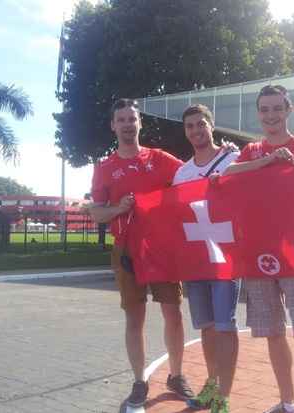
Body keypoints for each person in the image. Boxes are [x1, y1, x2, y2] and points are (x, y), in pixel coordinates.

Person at [224, 85, 294, 413]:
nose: (270, 116)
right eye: (264, 110)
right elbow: (226, 174)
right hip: (257, 255)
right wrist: (267, 160)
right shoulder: (251, 151)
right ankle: (288, 403)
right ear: (258, 113)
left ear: (288, 110)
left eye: (276, 108)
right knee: (273, 334)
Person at [89, 98, 194, 408]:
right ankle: (139, 381)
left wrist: (221, 156)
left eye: (131, 119)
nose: (127, 124)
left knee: (172, 313)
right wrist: (118, 208)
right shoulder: (105, 168)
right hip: (127, 252)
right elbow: (96, 213)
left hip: (162, 248)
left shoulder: (160, 159)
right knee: (134, 318)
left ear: (140, 123)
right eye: (120, 119)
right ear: (113, 126)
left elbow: (195, 174)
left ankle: (176, 376)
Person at [172, 104, 240, 413]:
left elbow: (245, 201)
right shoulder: (182, 173)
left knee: (226, 325)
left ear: (211, 125)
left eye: (201, 124)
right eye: (190, 126)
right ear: (185, 131)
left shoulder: (232, 159)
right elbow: (175, 215)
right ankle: (212, 386)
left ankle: (222, 397)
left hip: (225, 255)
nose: (196, 130)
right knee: (208, 327)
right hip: (195, 258)